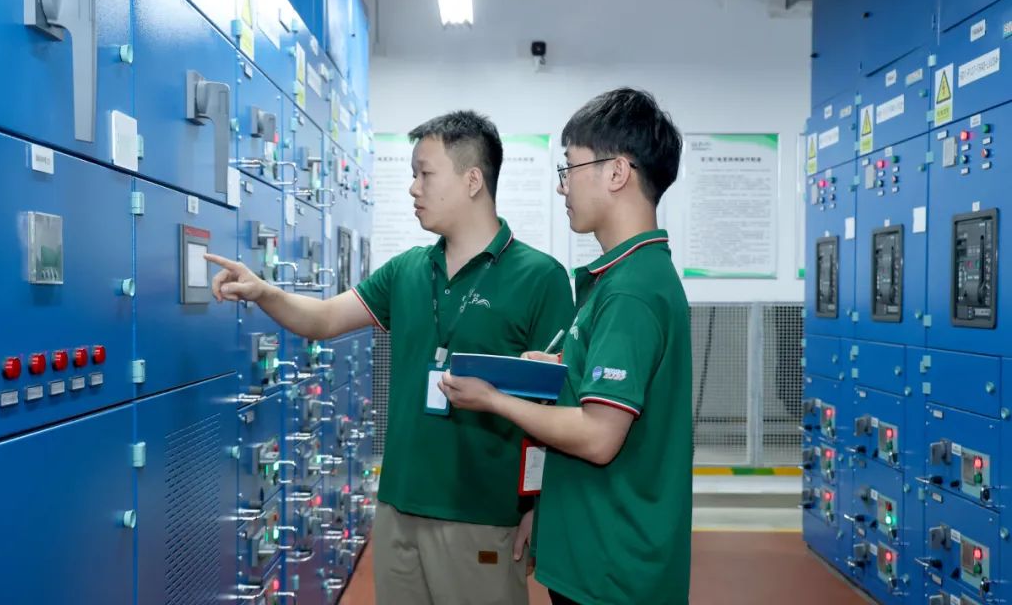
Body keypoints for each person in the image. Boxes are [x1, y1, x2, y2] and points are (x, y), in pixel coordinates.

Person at [205, 110, 575, 605]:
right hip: (398, 510)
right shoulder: (407, 271)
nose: (413, 188)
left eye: (425, 174)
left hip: (484, 516)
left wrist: (536, 506)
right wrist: (264, 292)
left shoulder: (540, 278)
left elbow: (556, 404)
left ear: (472, 181)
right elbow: (324, 319)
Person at [440, 88, 693, 605]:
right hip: (595, 551)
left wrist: (493, 399)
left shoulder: (631, 291)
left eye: (571, 167)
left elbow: (599, 436)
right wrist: (561, 366)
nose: (563, 186)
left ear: (616, 173)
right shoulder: (626, 276)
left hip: (611, 570)